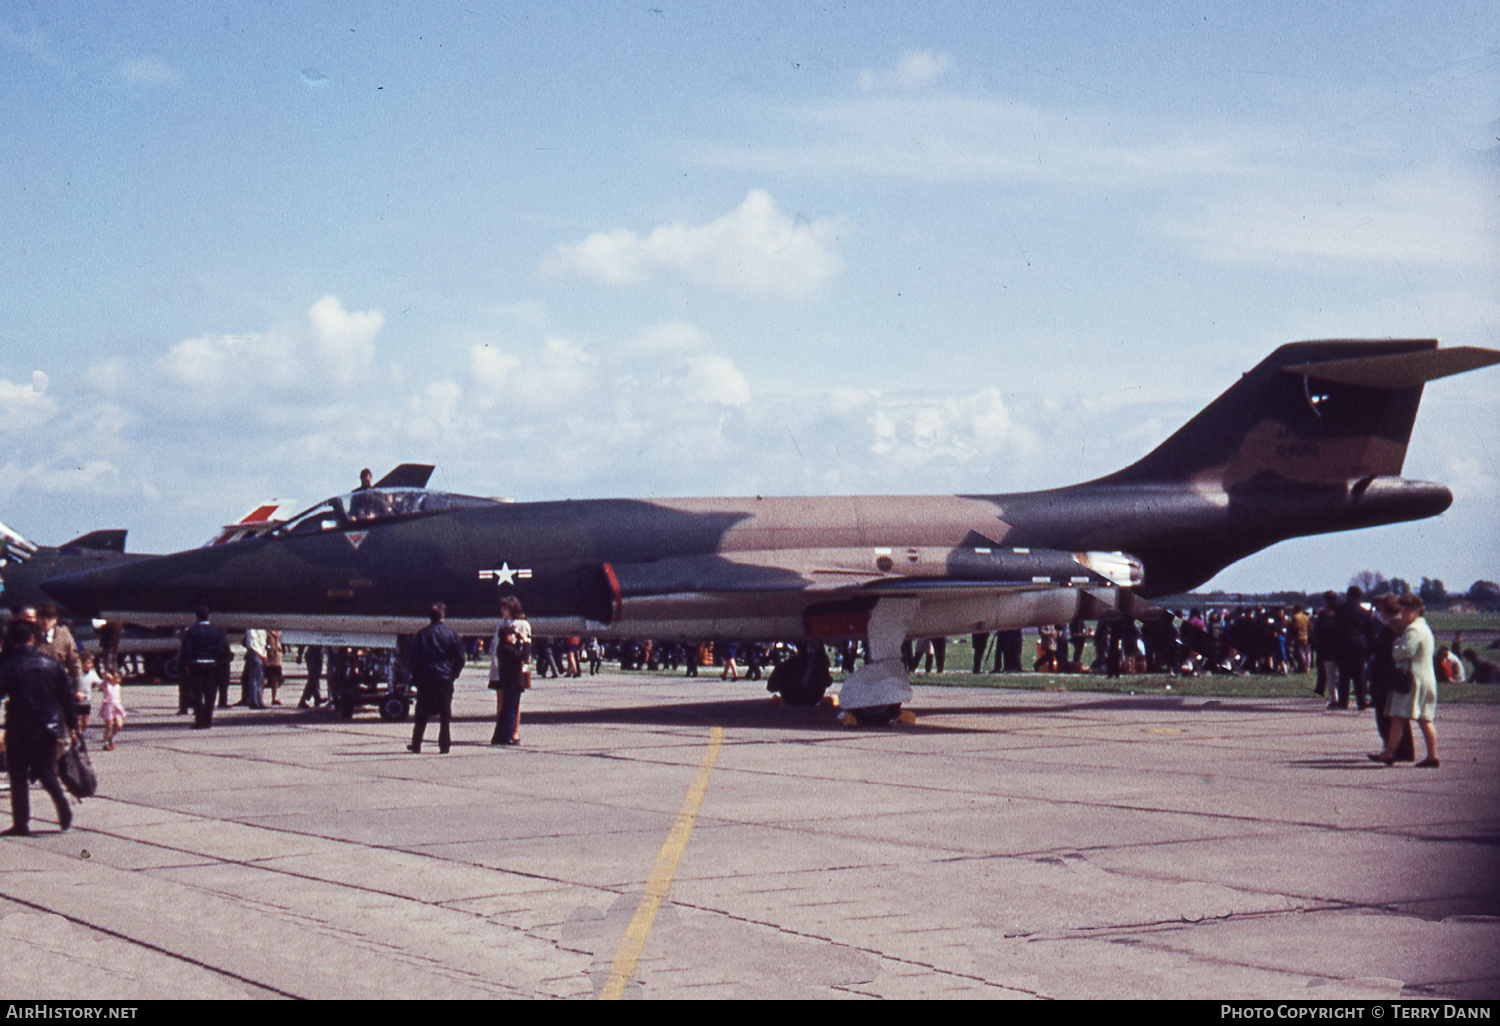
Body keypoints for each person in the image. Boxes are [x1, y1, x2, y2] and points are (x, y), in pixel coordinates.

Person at [0, 620, 77, 835]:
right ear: (32, 639)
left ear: (11, 641)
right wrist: (72, 724)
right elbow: (66, 697)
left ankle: (21, 822)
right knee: (45, 770)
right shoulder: (51, 664)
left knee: (18, 774)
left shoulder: (8, 665)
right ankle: (62, 806)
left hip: (19, 727)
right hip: (49, 726)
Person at [1370, 595, 1439, 767]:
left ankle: (1390, 752)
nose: (1404, 613)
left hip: (1412, 679)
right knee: (1424, 719)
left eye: (1408, 610)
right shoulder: (1425, 628)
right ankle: (1432, 755)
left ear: (1417, 611)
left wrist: (1396, 647)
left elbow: (1404, 652)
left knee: (1397, 717)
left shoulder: (1413, 630)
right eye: (1403, 609)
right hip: (1427, 677)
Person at [406, 603, 467, 754]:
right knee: (445, 713)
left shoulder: (421, 635)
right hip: (445, 678)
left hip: (426, 677)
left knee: (421, 713)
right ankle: (444, 744)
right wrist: (453, 674)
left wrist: (416, 676)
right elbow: (460, 657)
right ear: (443, 616)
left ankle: (416, 744)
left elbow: (412, 659)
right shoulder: (451, 634)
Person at [1367, 595, 1415, 762]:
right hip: (1401, 674)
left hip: (1386, 676)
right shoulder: (1405, 626)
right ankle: (1405, 750)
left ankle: (1392, 749)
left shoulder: (1388, 629)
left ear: (1384, 611)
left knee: (1384, 716)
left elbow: (1382, 655)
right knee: (1399, 716)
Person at [179, 604, 231, 730]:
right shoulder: (216, 630)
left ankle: (199, 720)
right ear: (208, 615)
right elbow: (222, 648)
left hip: (196, 664)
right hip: (211, 664)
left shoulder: (192, 631)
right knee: (210, 693)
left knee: (197, 693)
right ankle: (208, 720)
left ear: (196, 616)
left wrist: (186, 663)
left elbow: (187, 649)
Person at [488, 596, 532, 745]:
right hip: (499, 665)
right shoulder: (501, 623)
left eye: (505, 608)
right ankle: (501, 730)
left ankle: (514, 730)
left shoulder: (521, 624)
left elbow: (525, 648)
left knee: (514, 701)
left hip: (515, 666)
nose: (502, 611)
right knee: (501, 699)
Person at [96, 665, 126, 751]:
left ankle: (112, 737)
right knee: (109, 726)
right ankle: (105, 742)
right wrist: (108, 676)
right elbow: (105, 677)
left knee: (119, 724)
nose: (117, 680)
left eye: (119, 679)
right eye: (115, 678)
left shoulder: (117, 686)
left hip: (117, 706)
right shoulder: (107, 685)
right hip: (108, 706)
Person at [238, 628, 267, 709]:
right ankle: (254, 701)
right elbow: (252, 642)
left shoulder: (261, 629)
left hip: (260, 653)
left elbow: (263, 641)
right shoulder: (251, 629)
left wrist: (264, 653)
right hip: (256, 652)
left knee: (259, 679)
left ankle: (259, 700)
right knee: (254, 679)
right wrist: (261, 652)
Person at [264, 630, 284, 705]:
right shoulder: (266, 631)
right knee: (264, 677)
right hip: (268, 656)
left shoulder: (279, 631)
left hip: (277, 656)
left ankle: (274, 698)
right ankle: (259, 697)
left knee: (275, 678)